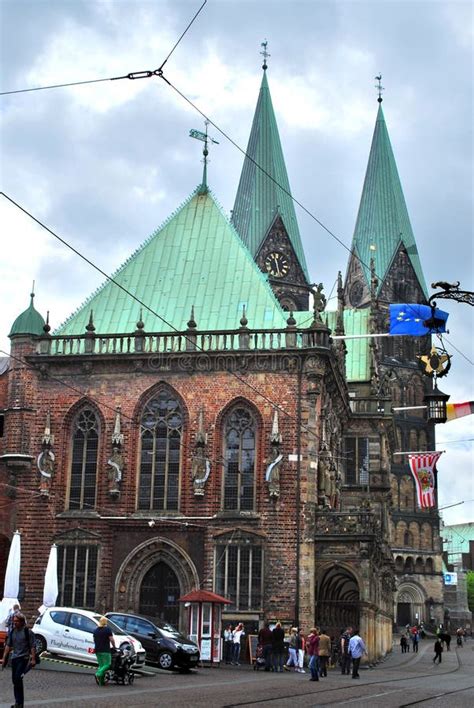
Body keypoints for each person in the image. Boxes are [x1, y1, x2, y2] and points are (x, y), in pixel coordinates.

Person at [2, 612, 36, 708]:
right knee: (15, 680)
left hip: (23, 658)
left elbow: (33, 646)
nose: (15, 623)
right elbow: (8, 646)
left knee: (18, 678)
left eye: (17, 621)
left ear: (22, 622)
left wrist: (33, 659)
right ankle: (18, 703)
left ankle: (19, 703)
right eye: (14, 621)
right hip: (14, 658)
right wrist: (4, 659)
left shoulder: (27, 632)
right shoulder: (13, 632)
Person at [93, 616, 115, 686]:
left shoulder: (95, 630)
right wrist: (114, 646)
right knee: (107, 664)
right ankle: (98, 673)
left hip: (97, 650)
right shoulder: (107, 630)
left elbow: (94, 640)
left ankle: (101, 683)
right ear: (105, 623)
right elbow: (111, 639)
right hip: (105, 650)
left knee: (101, 665)